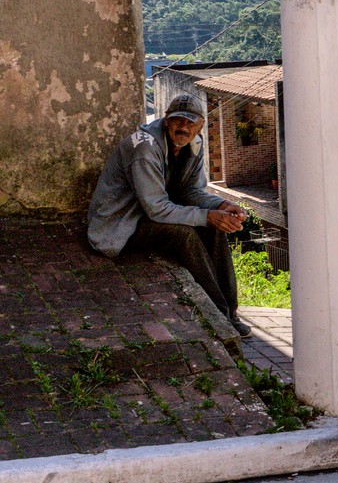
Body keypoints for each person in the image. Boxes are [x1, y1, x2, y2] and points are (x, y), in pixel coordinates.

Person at [88, 93, 253, 337]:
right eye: (178, 121)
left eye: (190, 122)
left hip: (153, 214)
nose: (183, 127)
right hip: (122, 223)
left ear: (200, 126)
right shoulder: (144, 147)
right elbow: (156, 208)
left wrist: (220, 205)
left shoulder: (193, 145)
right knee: (184, 236)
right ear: (167, 121)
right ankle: (218, 314)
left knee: (215, 229)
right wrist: (207, 216)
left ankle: (231, 312)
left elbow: (191, 192)